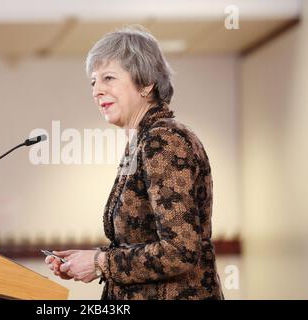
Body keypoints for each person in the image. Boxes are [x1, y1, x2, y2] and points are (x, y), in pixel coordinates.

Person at [45, 25, 224, 300]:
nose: (97, 91)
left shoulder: (164, 140)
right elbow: (145, 240)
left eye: (109, 78)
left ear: (145, 84)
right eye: (94, 81)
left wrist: (100, 263)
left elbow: (180, 251)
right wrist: (91, 260)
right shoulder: (143, 139)